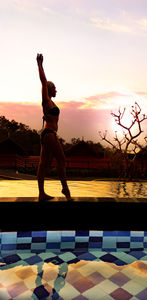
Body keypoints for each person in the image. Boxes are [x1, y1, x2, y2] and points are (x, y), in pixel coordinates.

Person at [36, 53, 71, 201]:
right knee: (61, 160)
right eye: (55, 88)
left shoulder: (51, 102)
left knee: (43, 163)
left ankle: (41, 194)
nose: (56, 90)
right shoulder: (46, 100)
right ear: (49, 89)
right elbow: (43, 81)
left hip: (47, 133)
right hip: (49, 133)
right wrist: (40, 65)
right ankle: (66, 191)